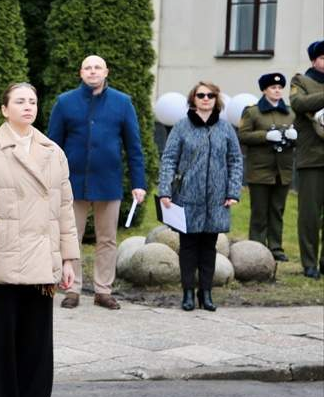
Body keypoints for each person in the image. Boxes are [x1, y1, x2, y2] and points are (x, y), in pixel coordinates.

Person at [0, 82, 78, 397]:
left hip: (43, 260)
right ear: (4, 109)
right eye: (20, 101)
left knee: (38, 345)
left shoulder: (53, 152)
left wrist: (70, 258)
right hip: (3, 260)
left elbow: (64, 209)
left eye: (32, 101)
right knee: (3, 344)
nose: (28, 107)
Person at [47, 55, 146, 310]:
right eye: (88, 68)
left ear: (106, 72)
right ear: (81, 73)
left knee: (107, 239)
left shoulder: (122, 103)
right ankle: (72, 288)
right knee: (70, 237)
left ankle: (103, 290)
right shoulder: (65, 102)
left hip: (108, 182)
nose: (93, 72)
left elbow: (133, 147)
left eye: (97, 67)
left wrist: (139, 183)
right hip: (72, 183)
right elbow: (52, 146)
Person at [158, 82, 243, 311]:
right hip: (187, 196)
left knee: (208, 247)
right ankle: (187, 293)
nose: (206, 99)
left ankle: (205, 293)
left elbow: (235, 160)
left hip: (217, 199)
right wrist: (165, 190)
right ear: (193, 99)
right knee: (187, 247)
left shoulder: (225, 129)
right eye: (201, 95)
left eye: (210, 95)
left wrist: (233, 191)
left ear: (217, 99)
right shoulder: (182, 127)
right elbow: (168, 159)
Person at [238, 73, 297, 261]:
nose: (277, 91)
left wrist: (295, 136)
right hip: (260, 169)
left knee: (277, 209)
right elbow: (243, 136)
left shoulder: (290, 112)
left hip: (283, 169)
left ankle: (276, 247)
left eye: (280, 88)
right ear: (264, 90)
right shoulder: (252, 112)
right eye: (273, 88)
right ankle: (256, 246)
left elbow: (300, 136)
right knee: (259, 211)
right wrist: (265, 136)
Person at [290, 40, 324, 279]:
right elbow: (298, 103)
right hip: (312, 157)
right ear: (315, 60)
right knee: (310, 215)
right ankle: (309, 263)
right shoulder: (301, 81)